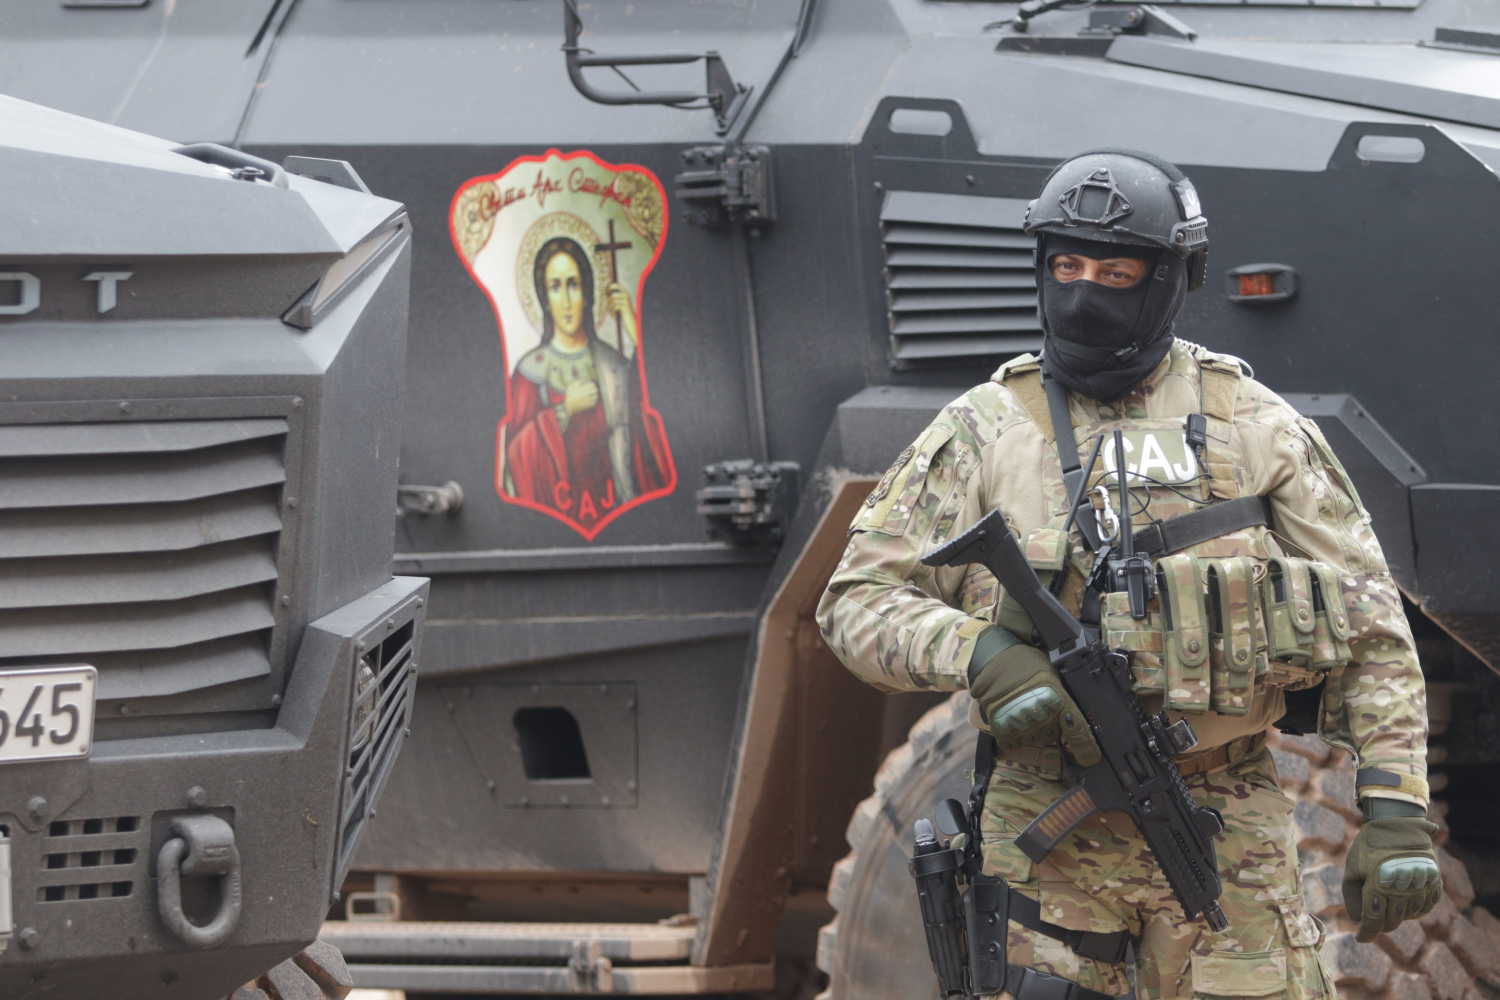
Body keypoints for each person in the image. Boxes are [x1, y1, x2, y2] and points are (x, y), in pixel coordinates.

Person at [819, 150, 1437, 999]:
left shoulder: (1255, 426)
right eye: (1066, 267)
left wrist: (1396, 806)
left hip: (1224, 818)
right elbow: (855, 601)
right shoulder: (985, 429)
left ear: (1170, 278)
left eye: (1116, 273)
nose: (1085, 293)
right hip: (1044, 828)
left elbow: (1372, 629)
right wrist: (979, 654)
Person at [502, 236, 670, 528]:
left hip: (620, 516)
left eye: (573, 285)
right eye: (555, 287)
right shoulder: (530, 372)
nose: (566, 301)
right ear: (544, 298)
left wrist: (635, 331)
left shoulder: (613, 363)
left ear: (587, 293)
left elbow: (650, 425)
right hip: (556, 521)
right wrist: (564, 411)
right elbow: (516, 454)